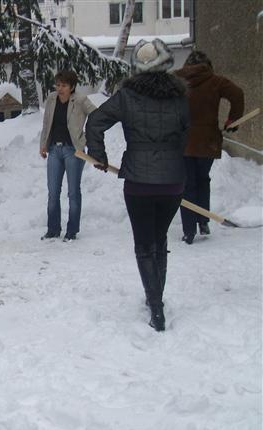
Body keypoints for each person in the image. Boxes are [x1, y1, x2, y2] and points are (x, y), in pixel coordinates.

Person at [86, 39, 189, 332]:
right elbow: (186, 132)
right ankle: (157, 300)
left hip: (139, 183)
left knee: (144, 244)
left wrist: (99, 156)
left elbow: (95, 121)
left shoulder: (127, 95)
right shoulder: (180, 97)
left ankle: (155, 306)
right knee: (161, 239)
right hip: (172, 182)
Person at [175, 50, 244, 244]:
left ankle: (188, 231)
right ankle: (203, 221)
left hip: (183, 142)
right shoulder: (215, 81)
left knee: (186, 185)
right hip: (207, 141)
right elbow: (237, 94)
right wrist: (233, 120)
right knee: (202, 180)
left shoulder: (175, 80)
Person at [39, 70, 97, 242]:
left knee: (73, 192)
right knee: (53, 191)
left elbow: (97, 116)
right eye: (58, 85)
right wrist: (43, 145)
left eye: (64, 85)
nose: (60, 88)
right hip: (54, 150)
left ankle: (72, 231)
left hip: (74, 151)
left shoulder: (80, 100)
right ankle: (53, 229)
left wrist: (86, 138)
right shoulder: (51, 99)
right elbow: (46, 122)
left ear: (72, 87)